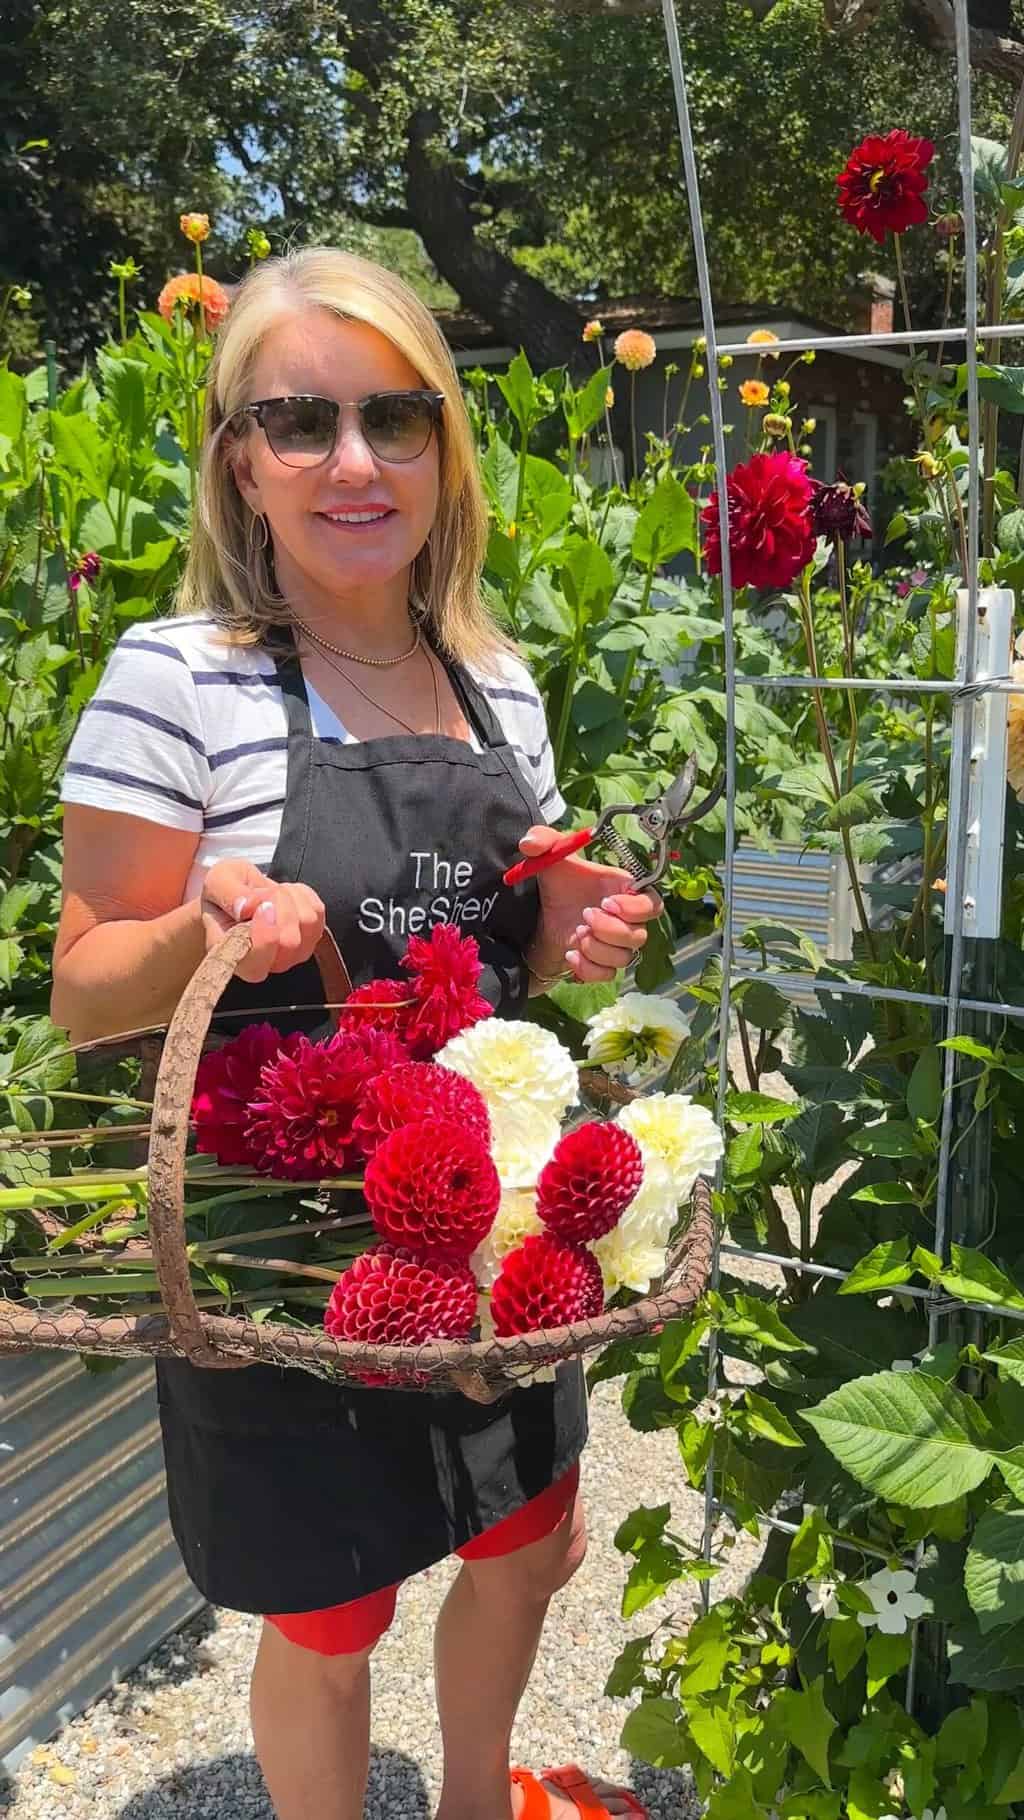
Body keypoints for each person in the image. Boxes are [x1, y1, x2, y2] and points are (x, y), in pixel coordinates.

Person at [52, 248, 661, 1820]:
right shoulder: (175, 682)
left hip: (482, 1214)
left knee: (529, 1540)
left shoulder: (500, 686)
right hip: (291, 1240)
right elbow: (81, 985)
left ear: (447, 447)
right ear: (238, 459)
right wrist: (208, 921)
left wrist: (562, 930)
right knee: (328, 1609)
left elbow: (502, 950)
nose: (354, 461)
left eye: (396, 417)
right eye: (300, 418)